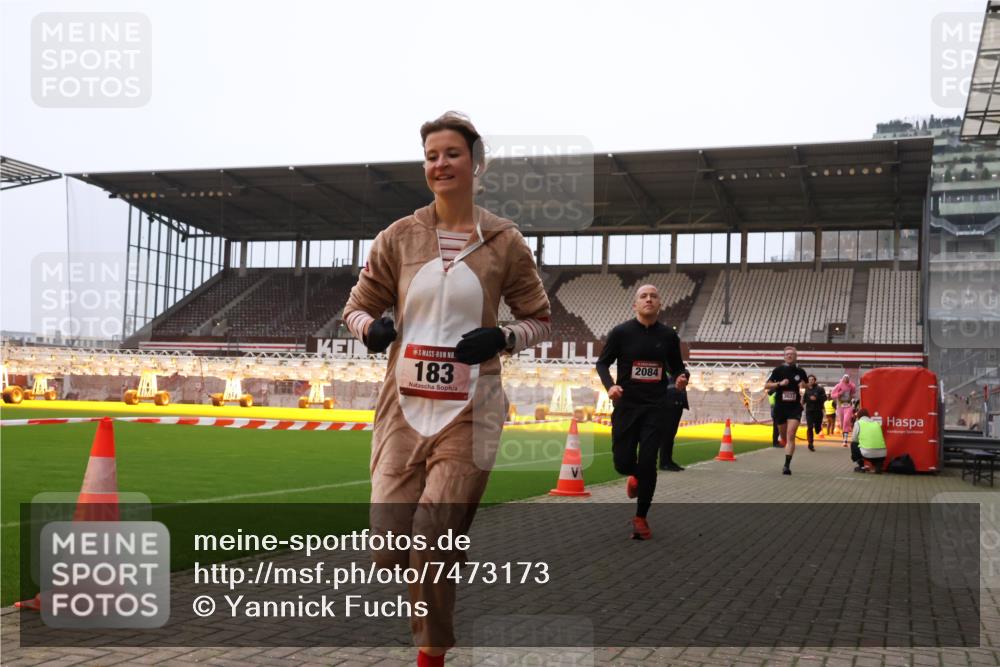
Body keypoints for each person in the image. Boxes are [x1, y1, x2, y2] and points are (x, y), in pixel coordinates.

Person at [342, 111, 551, 666]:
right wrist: (371, 330)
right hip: (402, 407)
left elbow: (539, 318)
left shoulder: (505, 241)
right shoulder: (398, 237)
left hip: (472, 410)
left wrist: (502, 337)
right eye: (431, 156)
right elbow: (356, 308)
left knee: (433, 540)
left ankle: (430, 654)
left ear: (475, 162)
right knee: (389, 545)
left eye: (451, 154)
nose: (440, 164)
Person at [596, 284, 687, 540]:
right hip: (626, 407)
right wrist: (610, 386)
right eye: (643, 296)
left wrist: (682, 378)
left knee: (648, 463)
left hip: (656, 408)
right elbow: (602, 363)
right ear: (635, 304)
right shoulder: (621, 333)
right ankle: (634, 475)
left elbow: (678, 367)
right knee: (622, 463)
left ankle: (641, 518)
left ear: (660, 304)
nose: (649, 299)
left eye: (653, 296)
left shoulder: (668, 335)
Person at [765, 347, 809, 475]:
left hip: (795, 407)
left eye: (792, 354)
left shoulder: (801, 371)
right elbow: (766, 385)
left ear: (796, 357)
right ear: (784, 357)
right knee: (784, 437)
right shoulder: (778, 370)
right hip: (780, 407)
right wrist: (779, 384)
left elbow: (806, 385)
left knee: (791, 434)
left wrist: (803, 386)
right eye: (787, 354)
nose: (790, 356)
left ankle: (786, 466)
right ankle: (783, 441)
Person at [659, 370, 691, 471]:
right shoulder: (670, 373)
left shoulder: (678, 371)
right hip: (670, 404)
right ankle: (664, 462)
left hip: (677, 404)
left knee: (670, 436)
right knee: (667, 436)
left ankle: (668, 461)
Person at [849, 408, 887, 473]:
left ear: (858, 416)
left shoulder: (858, 423)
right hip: (882, 454)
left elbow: (854, 439)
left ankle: (861, 467)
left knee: (853, 444)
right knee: (874, 448)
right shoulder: (876, 423)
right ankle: (878, 465)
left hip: (868, 453)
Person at [801, 375, 827, 451]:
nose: (811, 381)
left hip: (818, 411)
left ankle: (818, 428)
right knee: (809, 427)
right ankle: (810, 443)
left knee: (817, 429)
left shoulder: (820, 389)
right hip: (809, 411)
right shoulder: (806, 390)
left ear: (815, 380)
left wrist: (817, 398)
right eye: (809, 380)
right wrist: (801, 402)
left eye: (812, 379)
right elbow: (804, 401)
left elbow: (825, 398)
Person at [831, 374, 857, 447]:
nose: (846, 379)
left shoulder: (852, 386)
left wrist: (852, 396)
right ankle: (844, 438)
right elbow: (832, 395)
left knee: (846, 421)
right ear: (843, 379)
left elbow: (853, 393)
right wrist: (839, 393)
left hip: (848, 406)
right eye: (845, 378)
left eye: (847, 378)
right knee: (842, 423)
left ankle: (845, 440)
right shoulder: (838, 385)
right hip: (840, 406)